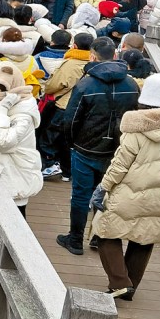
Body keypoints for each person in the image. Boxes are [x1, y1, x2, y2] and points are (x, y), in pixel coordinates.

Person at [93, 73, 160, 299]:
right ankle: (130, 287)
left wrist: (104, 187)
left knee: (105, 231)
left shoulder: (136, 129)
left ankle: (120, 281)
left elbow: (120, 164)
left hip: (127, 193)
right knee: (145, 237)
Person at [56, 37, 141, 255]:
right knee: (106, 193)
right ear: (115, 54)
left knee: (81, 194)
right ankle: (98, 236)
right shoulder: (131, 84)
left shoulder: (86, 83)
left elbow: (71, 119)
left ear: (92, 56)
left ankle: (75, 239)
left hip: (86, 147)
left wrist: (72, 143)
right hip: (115, 148)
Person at [0, 63, 44, 218]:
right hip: (6, 171)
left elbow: (2, 142)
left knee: (16, 219)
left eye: (0, 87)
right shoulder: (7, 106)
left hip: (16, 173)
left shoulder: (23, 113)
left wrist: (2, 110)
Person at [40, 32, 93, 180]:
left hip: (63, 106)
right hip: (83, 109)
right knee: (69, 142)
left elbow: (53, 85)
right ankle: (67, 171)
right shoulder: (95, 65)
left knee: (49, 137)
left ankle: (49, 165)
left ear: (74, 45)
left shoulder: (70, 63)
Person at [0, 27, 43, 96]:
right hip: (30, 97)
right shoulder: (32, 59)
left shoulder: (0, 61)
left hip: (10, 99)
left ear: (4, 40)